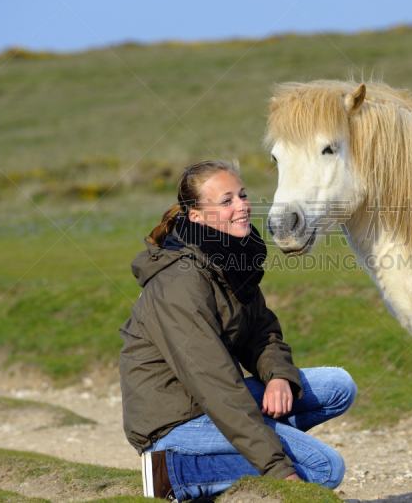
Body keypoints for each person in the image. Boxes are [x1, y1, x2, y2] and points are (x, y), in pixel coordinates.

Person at [119, 160, 357, 501]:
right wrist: (280, 471)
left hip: (210, 402)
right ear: (197, 217)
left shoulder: (230, 257)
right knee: (325, 469)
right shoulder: (180, 283)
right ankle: (172, 474)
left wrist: (277, 376)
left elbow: (263, 333)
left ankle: (247, 454)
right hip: (174, 422)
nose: (242, 206)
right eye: (226, 201)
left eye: (242, 195)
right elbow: (216, 387)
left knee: (338, 387)